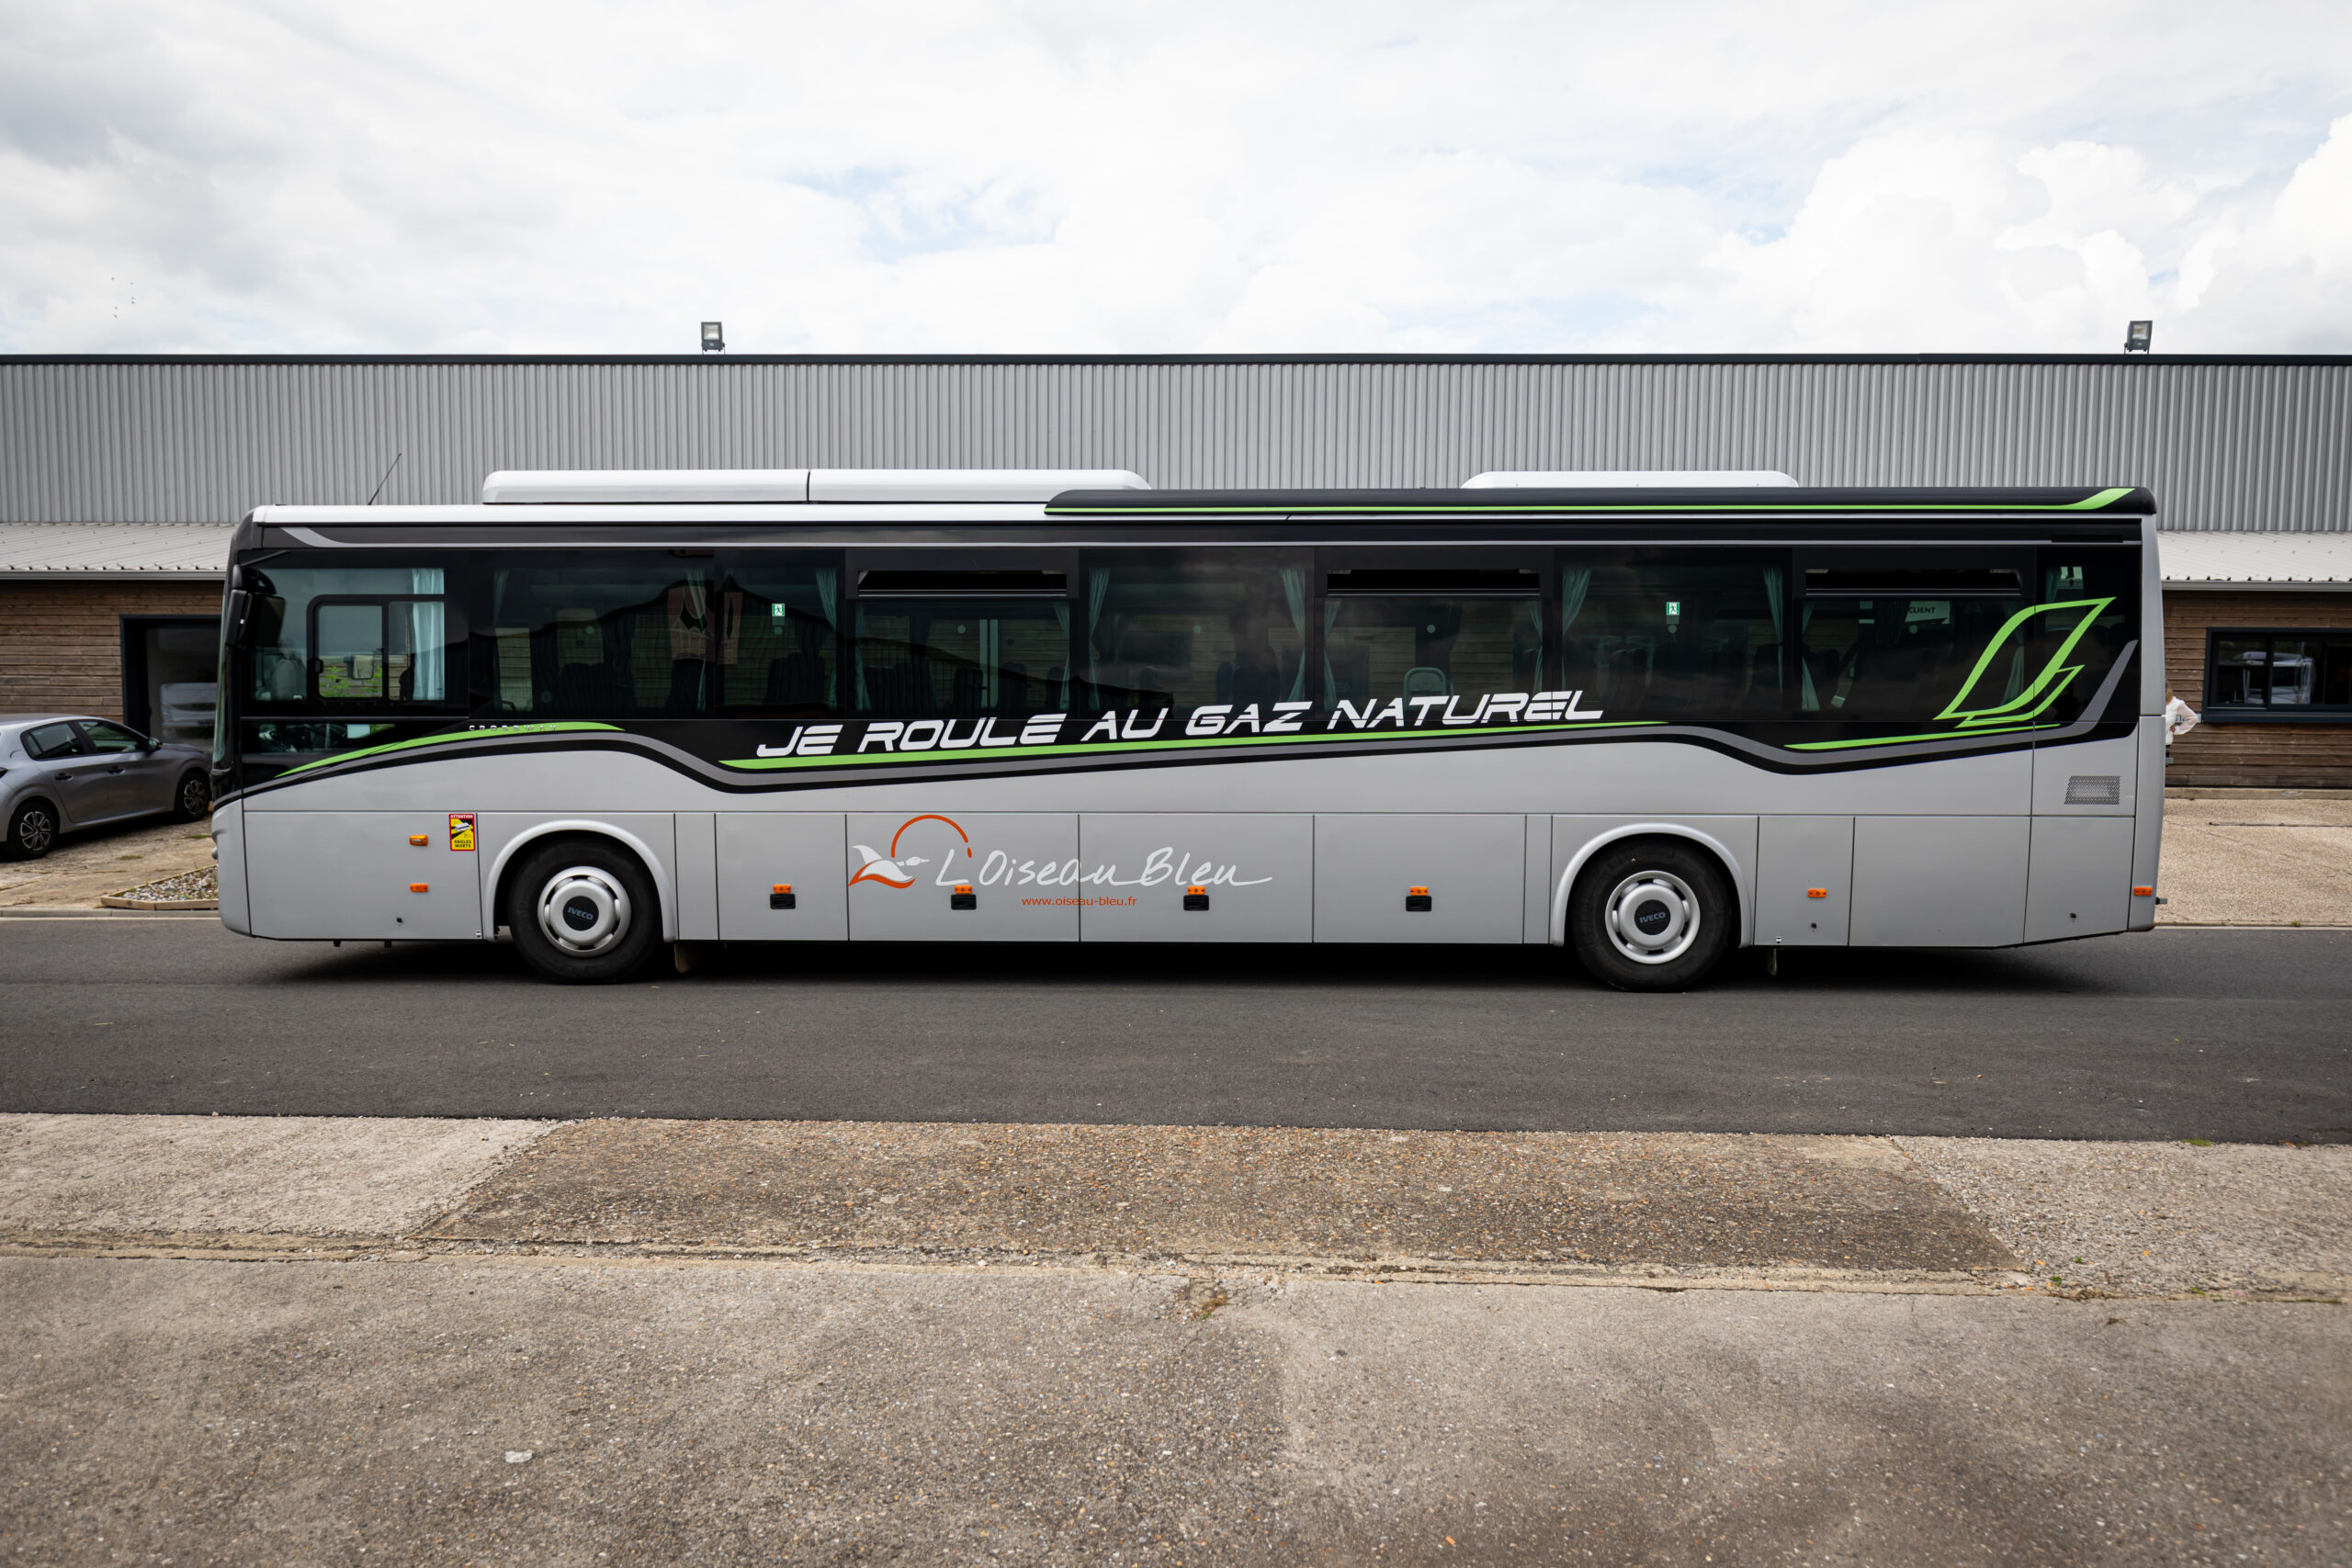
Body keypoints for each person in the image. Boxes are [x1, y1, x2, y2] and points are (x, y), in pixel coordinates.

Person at [2164, 685, 2199, 764]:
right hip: (2143, 742)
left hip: (2163, 744)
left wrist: (2177, 730)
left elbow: (2193, 718)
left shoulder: (2176, 704)